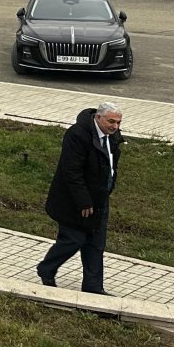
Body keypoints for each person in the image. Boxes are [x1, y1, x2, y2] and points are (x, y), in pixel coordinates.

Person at [35, 102, 124, 295]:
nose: (115, 127)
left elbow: (110, 165)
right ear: (98, 118)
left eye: (118, 122)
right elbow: (72, 171)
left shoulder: (113, 136)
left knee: (95, 244)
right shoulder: (77, 135)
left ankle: (93, 287)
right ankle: (47, 268)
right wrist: (84, 200)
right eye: (111, 121)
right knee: (73, 239)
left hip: (99, 199)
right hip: (74, 201)